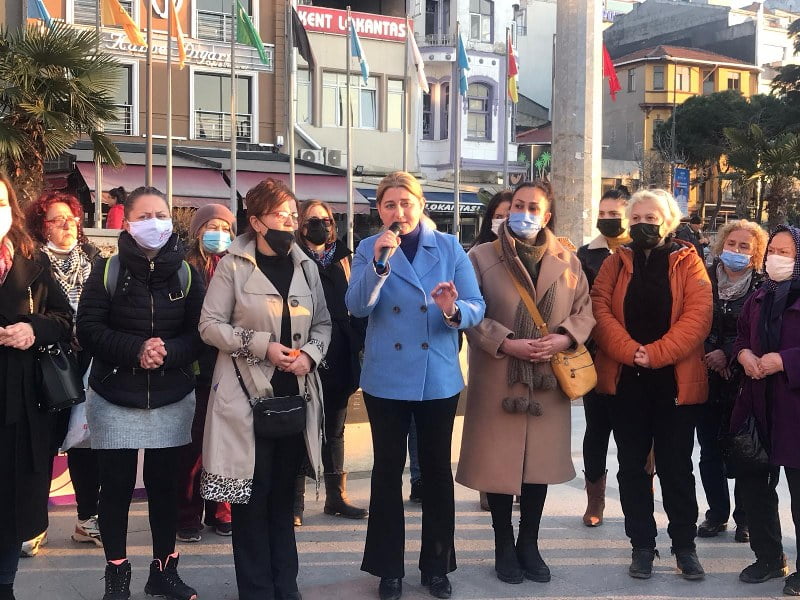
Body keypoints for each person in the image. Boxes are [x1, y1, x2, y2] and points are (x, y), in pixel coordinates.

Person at [346, 171, 485, 600]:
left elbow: (476, 306)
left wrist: (451, 309)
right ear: (380, 211)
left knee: (437, 473)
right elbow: (356, 306)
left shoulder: (447, 247)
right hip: (386, 376)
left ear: (420, 205)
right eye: (389, 205)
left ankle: (437, 566)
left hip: (436, 376)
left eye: (406, 203)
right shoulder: (370, 248)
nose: (398, 212)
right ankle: (388, 569)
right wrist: (380, 267)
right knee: (387, 472)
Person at [456, 180, 595, 585]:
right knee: (499, 465)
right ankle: (503, 544)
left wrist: (565, 336)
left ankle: (529, 543)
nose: (525, 213)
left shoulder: (568, 260)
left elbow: (585, 311)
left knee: (537, 466)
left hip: (548, 380)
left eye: (534, 207)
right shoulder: (480, 257)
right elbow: (471, 313)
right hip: (499, 375)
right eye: (519, 204)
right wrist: (507, 342)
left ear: (547, 215)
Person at [199, 179, 331, 600]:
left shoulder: (306, 265)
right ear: (256, 221)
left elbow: (325, 324)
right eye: (281, 215)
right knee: (250, 501)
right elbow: (209, 326)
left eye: (294, 215)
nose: (291, 222)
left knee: (283, 500)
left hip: (295, 397)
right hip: (245, 400)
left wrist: (310, 354)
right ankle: (256, 589)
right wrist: (263, 347)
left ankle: (285, 586)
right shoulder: (233, 265)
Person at [77, 186, 205, 600]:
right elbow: (89, 329)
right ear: (127, 223)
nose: (155, 223)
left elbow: (199, 332)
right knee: (113, 487)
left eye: (162, 214)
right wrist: (136, 351)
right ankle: (117, 573)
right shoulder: (107, 269)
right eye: (145, 216)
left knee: (165, 487)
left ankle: (164, 570)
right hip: (115, 393)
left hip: (172, 392)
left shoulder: (187, 272)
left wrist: (167, 353)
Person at [591, 189, 712, 581]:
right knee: (631, 468)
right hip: (628, 379)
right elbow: (600, 309)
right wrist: (630, 351)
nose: (644, 224)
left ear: (669, 221)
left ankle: (684, 547)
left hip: (674, 382)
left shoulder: (689, 262)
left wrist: (656, 353)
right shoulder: (615, 262)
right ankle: (641, 545)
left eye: (651, 217)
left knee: (676, 467)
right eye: (637, 217)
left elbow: (698, 316)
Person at [0, 172, 73, 600]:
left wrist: (32, 328)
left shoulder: (31, 258)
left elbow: (64, 320)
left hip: (21, 403)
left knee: (12, 503)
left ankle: (5, 583)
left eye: (2, 203)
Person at [25, 191, 104, 550]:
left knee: (85, 443)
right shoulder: (31, 263)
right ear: (42, 226)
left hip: (89, 362)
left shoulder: (93, 259)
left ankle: (87, 520)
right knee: (41, 447)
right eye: (57, 220)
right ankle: (33, 524)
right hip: (46, 363)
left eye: (71, 219)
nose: (67, 226)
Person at [731, 225, 800, 595]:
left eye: (786, 252)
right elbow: (741, 336)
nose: (777, 257)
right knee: (755, 487)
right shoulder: (759, 296)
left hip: (794, 411)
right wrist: (743, 354)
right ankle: (769, 557)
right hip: (756, 407)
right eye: (773, 249)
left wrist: (784, 361)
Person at [294, 200, 367, 525]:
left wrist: (357, 342)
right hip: (304, 355)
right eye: (312, 221)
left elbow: (360, 303)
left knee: (335, 431)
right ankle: (293, 503)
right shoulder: (292, 258)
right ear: (301, 225)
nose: (319, 226)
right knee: (299, 428)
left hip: (340, 357)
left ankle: (336, 497)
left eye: (324, 220)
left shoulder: (346, 259)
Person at [696, 220, 766, 543]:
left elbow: (758, 332)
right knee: (709, 449)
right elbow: (692, 320)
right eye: (732, 243)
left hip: (743, 381)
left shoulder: (761, 287)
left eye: (744, 247)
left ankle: (745, 517)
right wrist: (712, 353)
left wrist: (728, 355)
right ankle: (716, 513)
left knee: (744, 448)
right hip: (706, 375)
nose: (736, 251)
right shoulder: (703, 279)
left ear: (754, 255)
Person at [175, 204, 236, 543]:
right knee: (193, 446)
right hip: (197, 368)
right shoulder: (185, 266)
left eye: (223, 226)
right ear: (197, 230)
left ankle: (222, 509)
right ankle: (187, 514)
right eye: (210, 226)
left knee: (226, 444)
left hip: (232, 366)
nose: (217, 233)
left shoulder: (240, 264)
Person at [576, 187, 631, 527]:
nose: (608, 219)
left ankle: (638, 495)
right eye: (604, 213)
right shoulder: (585, 255)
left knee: (636, 432)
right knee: (597, 429)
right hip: (596, 357)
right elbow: (581, 303)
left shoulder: (644, 251)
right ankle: (594, 499)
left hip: (636, 357)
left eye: (616, 214)